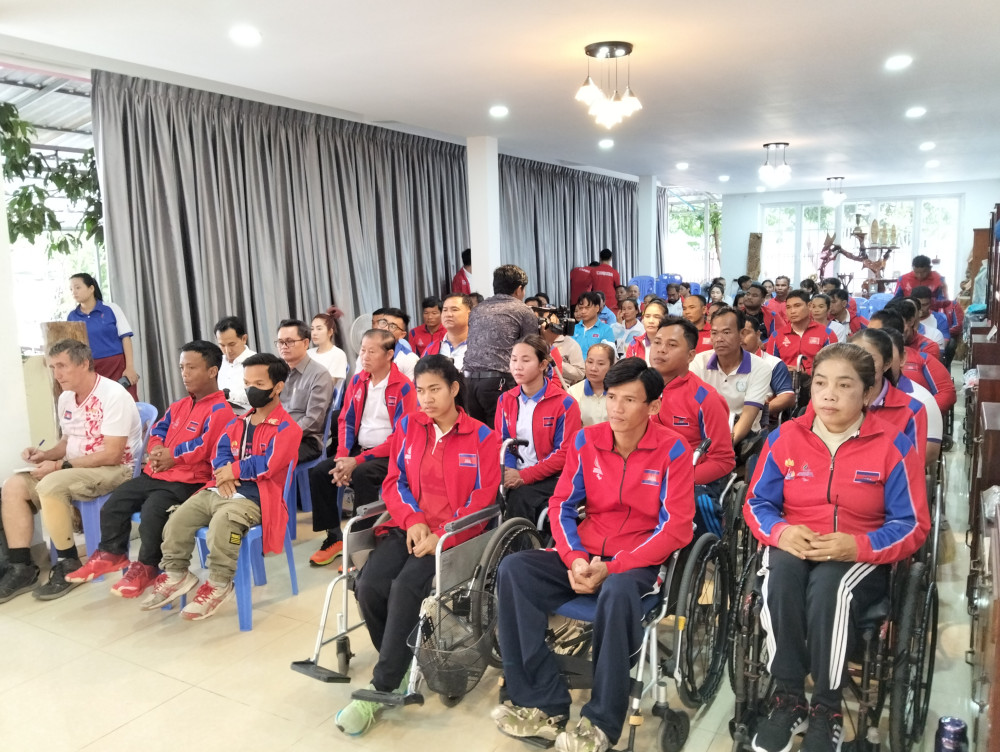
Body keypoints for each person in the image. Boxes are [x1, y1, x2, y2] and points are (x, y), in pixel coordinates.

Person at [492, 358, 695, 752]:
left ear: (653, 406)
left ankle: (601, 722)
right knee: (515, 568)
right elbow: (562, 504)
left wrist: (614, 567)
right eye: (612, 397)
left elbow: (676, 528)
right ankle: (541, 702)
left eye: (629, 400)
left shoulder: (673, 449)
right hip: (586, 553)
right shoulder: (588, 440)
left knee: (617, 591)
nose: (616, 408)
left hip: (635, 562)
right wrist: (575, 558)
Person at [743, 343, 929, 752]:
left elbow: (912, 525)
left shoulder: (893, 445)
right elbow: (757, 503)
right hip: (796, 540)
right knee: (780, 576)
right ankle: (789, 697)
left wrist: (857, 545)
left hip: (857, 551)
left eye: (844, 385)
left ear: (867, 393)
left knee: (832, 588)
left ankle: (827, 708)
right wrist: (781, 532)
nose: (828, 395)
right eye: (821, 383)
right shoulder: (785, 437)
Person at [334, 354, 501, 734]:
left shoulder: (481, 438)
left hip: (452, 538)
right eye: (421, 391)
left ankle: (382, 686)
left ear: (454, 389)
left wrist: (443, 534)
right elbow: (395, 482)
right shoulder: (409, 426)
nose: (426, 398)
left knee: (406, 588)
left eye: (434, 390)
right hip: (408, 528)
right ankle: (400, 660)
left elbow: (483, 499)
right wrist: (413, 521)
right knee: (369, 584)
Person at [64, 341, 236, 597]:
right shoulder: (179, 405)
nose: (185, 374)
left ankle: (147, 567)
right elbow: (158, 430)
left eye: (192, 368)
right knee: (116, 502)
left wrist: (172, 456)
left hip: (188, 482)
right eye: (182, 367)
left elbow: (205, 445)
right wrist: (157, 450)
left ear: (212, 371)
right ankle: (112, 553)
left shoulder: (221, 410)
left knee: (153, 512)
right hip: (158, 473)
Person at [140, 353, 303, 618]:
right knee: (178, 519)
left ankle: (219, 583)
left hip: (257, 498)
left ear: (277, 387)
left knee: (224, 524)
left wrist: (233, 471)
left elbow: (269, 464)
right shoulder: (238, 422)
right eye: (247, 383)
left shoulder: (288, 428)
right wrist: (224, 473)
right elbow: (220, 451)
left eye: (259, 384)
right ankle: (176, 573)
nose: (251, 389)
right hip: (219, 487)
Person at [0, 340, 141, 602]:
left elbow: (112, 454)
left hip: (114, 469)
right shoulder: (66, 397)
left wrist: (59, 466)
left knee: (51, 484)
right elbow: (67, 442)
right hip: (73, 468)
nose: (57, 374)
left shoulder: (113, 395)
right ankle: (22, 568)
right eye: (53, 367)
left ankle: (68, 562)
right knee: (13, 486)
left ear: (84, 363)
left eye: (62, 366)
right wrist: (46, 455)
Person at [308, 329, 418, 565]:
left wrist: (355, 461)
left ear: (389, 354)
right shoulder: (359, 380)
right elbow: (346, 421)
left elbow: (400, 437)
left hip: (390, 455)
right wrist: (342, 457)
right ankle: (334, 537)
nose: (364, 357)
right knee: (320, 472)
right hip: (359, 450)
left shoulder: (404, 387)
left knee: (363, 475)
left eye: (372, 352)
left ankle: (361, 546)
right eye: (362, 351)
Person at [647, 317, 735, 532]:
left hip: (690, 476)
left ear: (690, 356)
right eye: (657, 342)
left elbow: (723, 461)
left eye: (672, 345)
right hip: (646, 473)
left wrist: (680, 479)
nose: (661, 349)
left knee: (699, 501)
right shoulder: (639, 389)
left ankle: (712, 546)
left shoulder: (705, 398)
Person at [496, 335, 582, 525]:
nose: (517, 366)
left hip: (553, 477)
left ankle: (521, 544)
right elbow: (502, 442)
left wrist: (524, 476)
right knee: (486, 492)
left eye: (525, 360)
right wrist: (509, 471)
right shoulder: (506, 400)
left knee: (519, 497)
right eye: (514, 359)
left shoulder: (565, 403)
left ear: (543, 364)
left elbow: (564, 454)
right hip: (515, 472)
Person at [463, 264, 539, 426]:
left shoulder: (478, 309)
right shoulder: (523, 310)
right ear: (519, 289)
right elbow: (531, 347)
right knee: (503, 434)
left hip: (469, 382)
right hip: (498, 381)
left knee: (480, 435)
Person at [692, 306, 773, 445]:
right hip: (704, 429)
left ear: (741, 334)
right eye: (714, 333)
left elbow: (748, 415)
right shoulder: (698, 363)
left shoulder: (760, 368)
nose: (719, 339)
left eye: (726, 332)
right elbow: (692, 407)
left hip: (743, 435)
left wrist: (724, 446)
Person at [848, 329, 928, 459]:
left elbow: (912, 465)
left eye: (869, 359)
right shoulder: (829, 401)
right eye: (853, 358)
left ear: (886, 364)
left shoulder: (911, 410)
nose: (859, 366)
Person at [67, 272, 139, 399]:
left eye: (78, 287)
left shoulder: (111, 308)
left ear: (91, 288)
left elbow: (126, 338)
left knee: (124, 401)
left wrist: (129, 367)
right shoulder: (72, 316)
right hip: (90, 369)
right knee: (97, 405)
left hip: (117, 366)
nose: (74, 292)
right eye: (71, 289)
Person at [276, 319, 334, 464]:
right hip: (278, 434)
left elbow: (313, 420)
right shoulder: (277, 372)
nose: (284, 347)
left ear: (306, 343)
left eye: (289, 342)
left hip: (307, 438)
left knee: (272, 457)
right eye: (280, 342)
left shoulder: (319, 375)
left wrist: (283, 434)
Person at [741, 314, 796, 425]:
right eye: (735, 333)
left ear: (758, 335)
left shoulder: (773, 363)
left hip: (760, 423)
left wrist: (755, 413)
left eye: (745, 333)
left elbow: (787, 397)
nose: (740, 338)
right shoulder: (722, 362)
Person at [769, 290, 836, 378]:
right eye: (788, 307)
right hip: (784, 381)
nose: (792, 311)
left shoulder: (827, 334)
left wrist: (807, 372)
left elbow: (832, 366)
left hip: (815, 381)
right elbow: (770, 365)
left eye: (797, 306)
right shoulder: (776, 335)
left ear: (809, 306)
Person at [354, 307, 420, 381]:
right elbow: (357, 383)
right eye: (383, 323)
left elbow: (411, 387)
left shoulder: (410, 359)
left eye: (393, 326)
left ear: (402, 335)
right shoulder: (365, 354)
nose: (385, 329)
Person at [215, 316, 256, 412]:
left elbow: (258, 395)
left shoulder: (257, 362)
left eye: (232, 344)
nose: (227, 350)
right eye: (222, 345)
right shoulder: (217, 362)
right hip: (219, 415)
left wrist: (229, 395)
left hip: (248, 416)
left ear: (244, 339)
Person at [568, 343, 614, 426]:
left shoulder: (619, 392)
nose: (593, 368)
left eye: (600, 364)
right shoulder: (573, 392)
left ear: (611, 366)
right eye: (590, 362)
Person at [422, 292, 470, 370]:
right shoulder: (432, 348)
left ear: (470, 314)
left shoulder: (482, 348)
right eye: (445, 310)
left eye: (454, 310)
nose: (448, 314)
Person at [540, 311, 585, 387]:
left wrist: (558, 363)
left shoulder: (571, 344)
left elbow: (580, 373)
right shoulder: (535, 341)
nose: (544, 325)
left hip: (561, 386)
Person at [308, 312, 349, 387]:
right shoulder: (308, 353)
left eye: (319, 329)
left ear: (330, 332)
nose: (314, 333)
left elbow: (329, 385)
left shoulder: (338, 354)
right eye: (312, 329)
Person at [591, 249, 621, 315]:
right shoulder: (614, 272)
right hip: (611, 303)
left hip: (597, 301)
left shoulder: (593, 271)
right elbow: (618, 288)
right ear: (610, 258)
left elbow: (589, 287)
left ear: (600, 258)